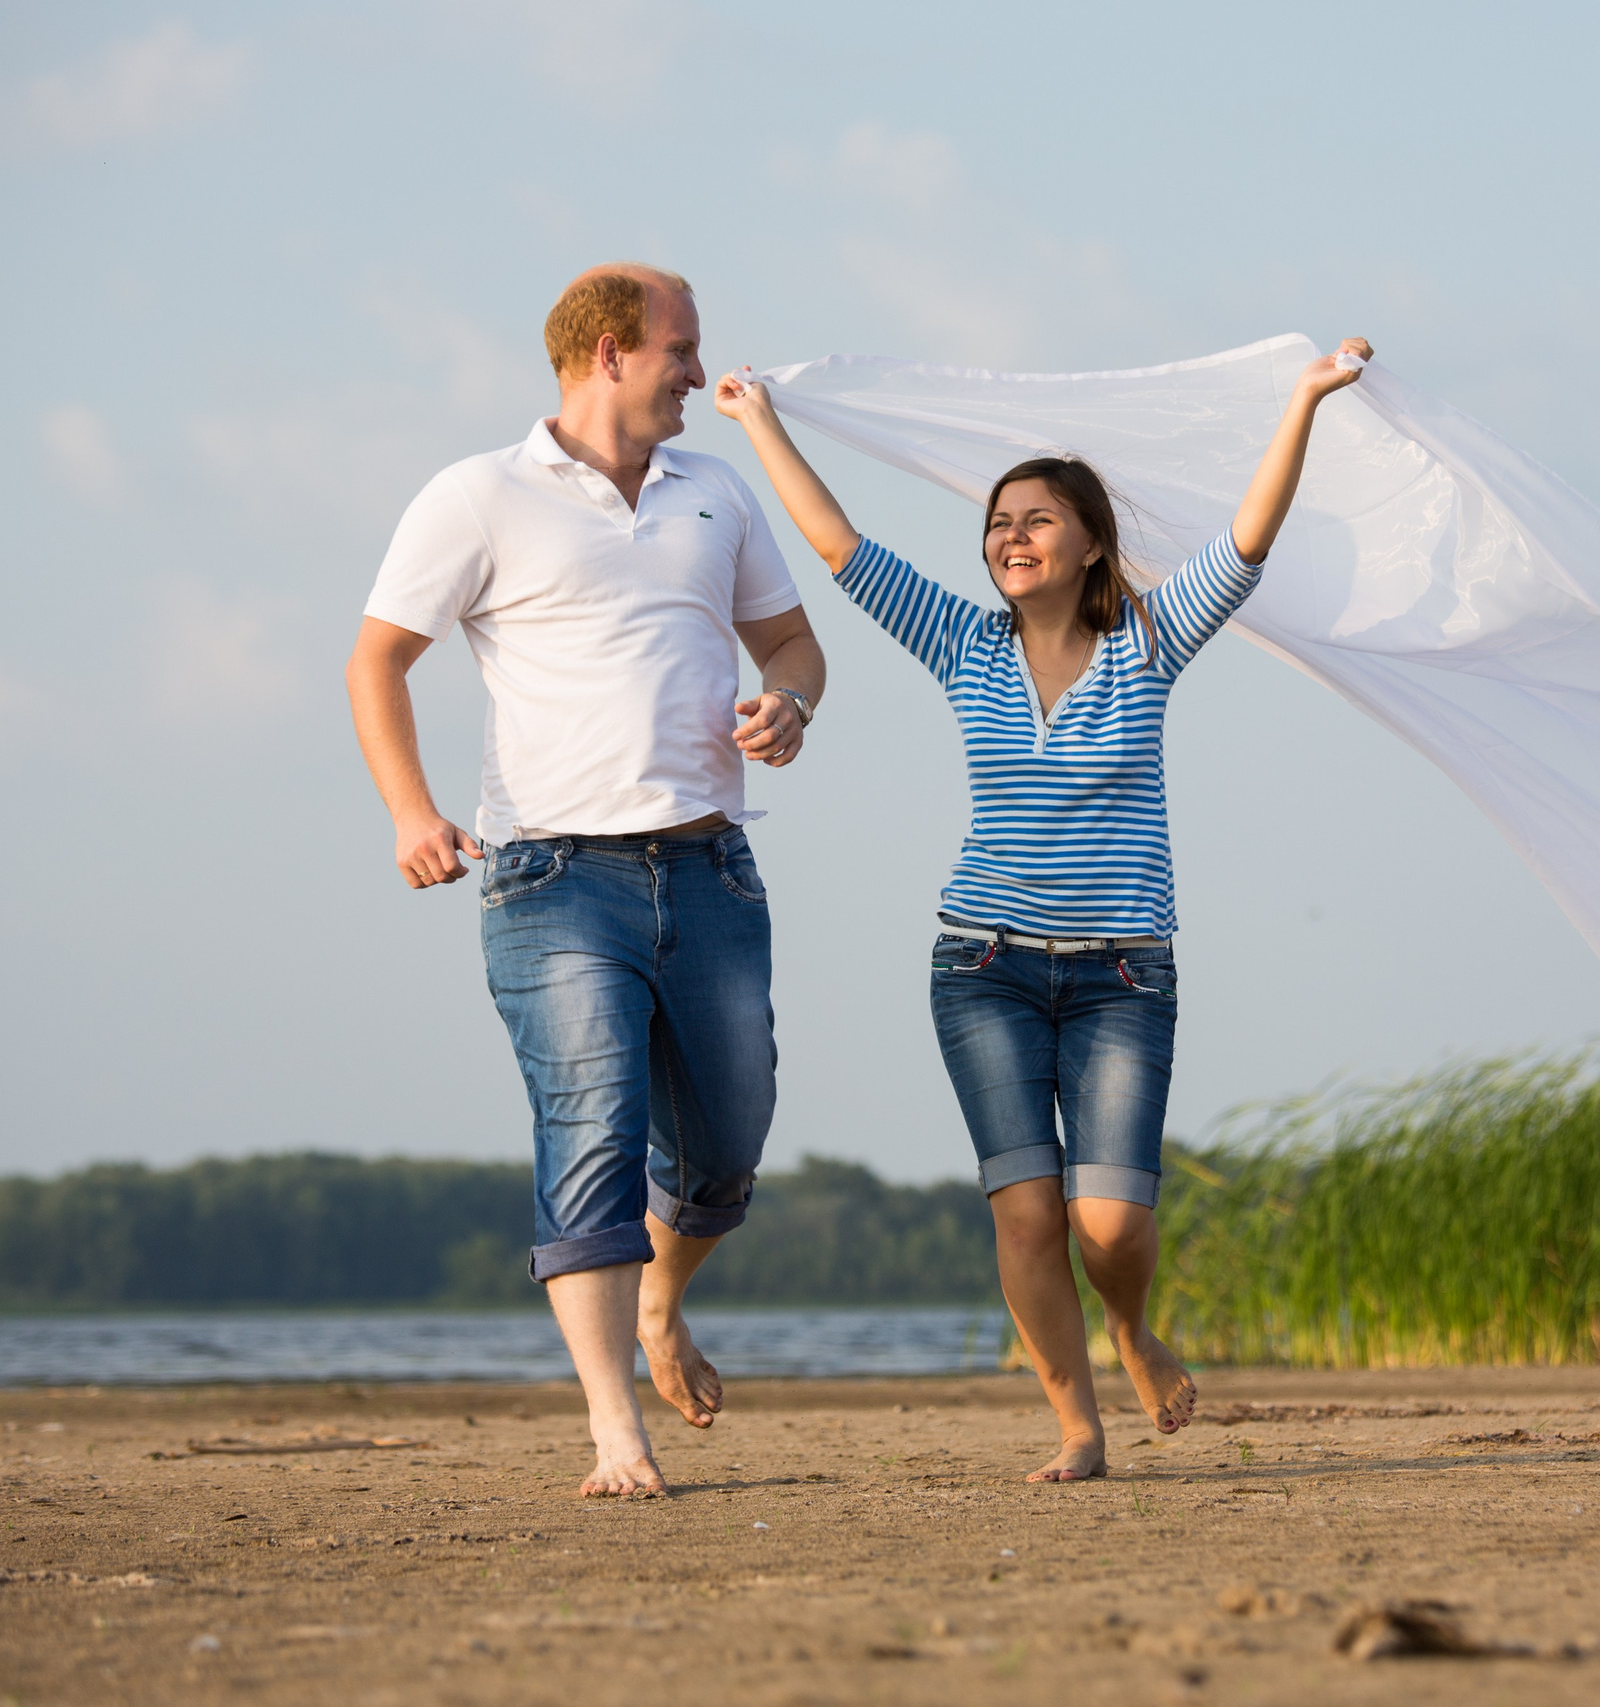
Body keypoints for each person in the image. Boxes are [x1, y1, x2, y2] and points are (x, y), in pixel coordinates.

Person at [715, 337, 1372, 1481]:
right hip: (984, 970)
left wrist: (1305, 399)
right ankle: (1077, 1424)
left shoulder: (1149, 644)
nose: (1008, 537)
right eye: (996, 523)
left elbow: (1249, 538)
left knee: (1108, 1225)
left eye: (1035, 521)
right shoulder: (962, 643)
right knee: (1026, 1216)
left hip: (1122, 975)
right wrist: (760, 420)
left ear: (1090, 545)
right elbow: (840, 550)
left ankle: (1129, 1327)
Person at [345, 264, 825, 1497]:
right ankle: (617, 1431)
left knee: (727, 1146)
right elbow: (377, 661)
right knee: (590, 1135)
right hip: (551, 880)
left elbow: (791, 643)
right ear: (609, 350)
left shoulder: (712, 492)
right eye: (682, 347)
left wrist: (790, 703)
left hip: (712, 866)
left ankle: (661, 1301)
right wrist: (411, 811)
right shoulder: (479, 494)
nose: (694, 369)